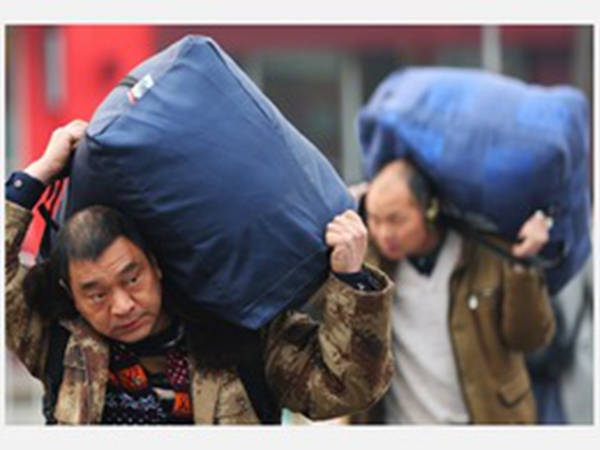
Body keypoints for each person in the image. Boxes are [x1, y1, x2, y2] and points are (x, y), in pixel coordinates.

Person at [5, 120, 394, 425]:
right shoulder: (58, 342)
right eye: (96, 294)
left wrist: (350, 280)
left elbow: (346, 389)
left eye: (132, 279)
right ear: (70, 294)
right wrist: (37, 175)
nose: (122, 306)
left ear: (156, 265)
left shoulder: (240, 331)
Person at [349, 158, 555, 425]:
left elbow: (529, 339)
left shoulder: (486, 252)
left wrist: (522, 269)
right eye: (375, 219)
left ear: (430, 209)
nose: (384, 233)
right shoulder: (369, 262)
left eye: (396, 219)